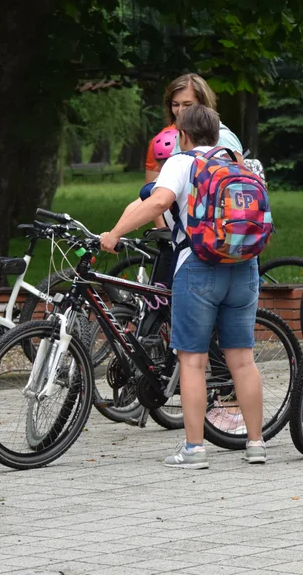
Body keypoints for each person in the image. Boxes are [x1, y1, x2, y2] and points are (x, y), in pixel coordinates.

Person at [101, 105, 266, 469]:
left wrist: (114, 234)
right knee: (241, 360)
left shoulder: (181, 162)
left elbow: (158, 201)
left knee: (192, 361)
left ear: (182, 134)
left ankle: (194, 449)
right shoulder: (237, 162)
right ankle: (255, 443)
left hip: (198, 266)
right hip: (244, 267)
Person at [144, 74, 244, 184]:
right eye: (176, 105)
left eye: (187, 104)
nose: (180, 111)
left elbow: (237, 184)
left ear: (203, 104)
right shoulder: (181, 135)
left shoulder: (223, 137)